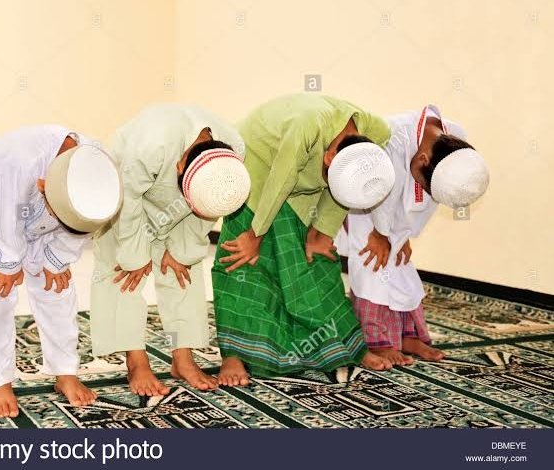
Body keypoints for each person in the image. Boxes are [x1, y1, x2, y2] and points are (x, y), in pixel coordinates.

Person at [212, 93, 397, 386]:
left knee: (316, 261)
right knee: (243, 259)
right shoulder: (307, 125)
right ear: (329, 157)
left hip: (304, 184)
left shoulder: (377, 134)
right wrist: (255, 233)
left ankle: (350, 347)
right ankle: (234, 355)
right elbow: (282, 178)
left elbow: (349, 187)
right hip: (257, 166)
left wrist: (322, 231)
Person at [90, 103, 249, 397]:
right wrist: (136, 256)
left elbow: (214, 204)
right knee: (124, 275)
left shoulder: (233, 153)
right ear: (180, 165)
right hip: (127, 195)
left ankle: (182, 359)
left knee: (181, 271)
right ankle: (136, 362)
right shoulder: (151, 146)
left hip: (186, 208)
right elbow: (128, 201)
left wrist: (181, 250)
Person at [0, 126, 122, 418]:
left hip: (53, 227)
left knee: (57, 288)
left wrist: (58, 257)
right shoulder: (15, 161)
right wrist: (9, 262)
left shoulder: (99, 166)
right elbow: (5, 217)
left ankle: (65, 372)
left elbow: (90, 220)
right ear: (42, 185)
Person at [337, 105, 489, 365]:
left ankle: (408, 336)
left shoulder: (455, 139)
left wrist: (403, 235)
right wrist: (380, 234)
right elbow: (382, 195)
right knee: (371, 265)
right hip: (366, 201)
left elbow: (431, 196)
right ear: (422, 160)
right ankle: (376, 342)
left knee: (400, 266)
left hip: (394, 212)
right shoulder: (392, 136)